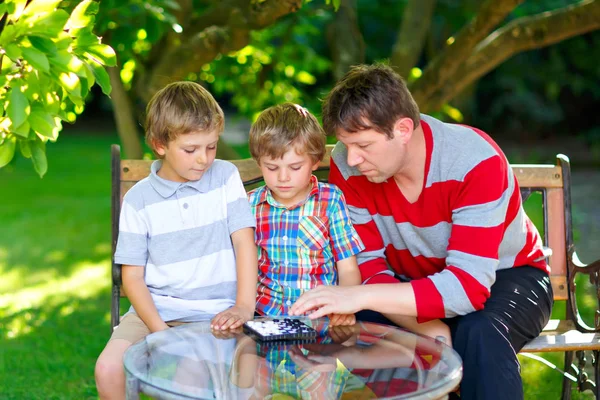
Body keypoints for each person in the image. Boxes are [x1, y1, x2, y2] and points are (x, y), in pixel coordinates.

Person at [290, 64, 553, 400]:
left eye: (363, 145)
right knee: (364, 327)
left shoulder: (473, 160)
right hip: (408, 282)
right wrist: (428, 329)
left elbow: (468, 288)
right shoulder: (348, 162)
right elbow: (368, 264)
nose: (350, 158)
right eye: (344, 144)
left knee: (481, 333)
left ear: (402, 129)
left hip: (507, 275)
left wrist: (356, 296)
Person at [95, 81, 258, 400]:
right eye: (191, 149)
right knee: (108, 368)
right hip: (152, 313)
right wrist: (161, 334)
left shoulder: (225, 178)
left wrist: (243, 306)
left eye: (211, 146)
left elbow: (244, 244)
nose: (204, 159)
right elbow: (133, 278)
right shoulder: (139, 200)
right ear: (159, 144)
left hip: (215, 314)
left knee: (189, 379)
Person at [247, 103, 364, 326]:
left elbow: (347, 266)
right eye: (271, 168)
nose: (283, 177)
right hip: (264, 318)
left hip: (319, 319)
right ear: (258, 162)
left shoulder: (330, 200)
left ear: (315, 161)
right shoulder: (251, 205)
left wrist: (345, 302)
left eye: (295, 167)